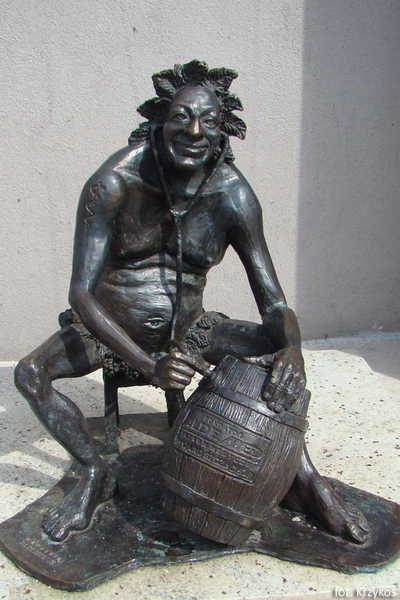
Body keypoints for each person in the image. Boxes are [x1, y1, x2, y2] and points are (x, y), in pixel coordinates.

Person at [14, 60, 369, 544]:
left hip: (191, 329)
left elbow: (274, 304)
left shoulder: (233, 195)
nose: (194, 132)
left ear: (224, 132)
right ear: (160, 122)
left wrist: (293, 349)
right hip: (108, 330)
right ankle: (95, 473)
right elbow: (80, 292)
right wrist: (148, 364)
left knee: (279, 351)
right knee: (30, 373)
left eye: (208, 121)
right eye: (181, 117)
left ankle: (302, 479)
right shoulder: (114, 182)